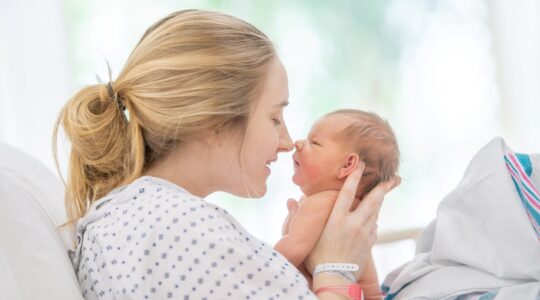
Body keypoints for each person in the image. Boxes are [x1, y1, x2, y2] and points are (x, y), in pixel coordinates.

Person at [53, 9, 399, 300]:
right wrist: (335, 269)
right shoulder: (181, 231)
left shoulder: (128, 218)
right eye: (274, 118)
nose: (286, 141)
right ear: (215, 122)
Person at [274, 109, 400, 299]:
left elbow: (292, 250)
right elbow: (370, 287)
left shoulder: (320, 204)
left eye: (313, 143)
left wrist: (257, 264)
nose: (298, 143)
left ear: (348, 165)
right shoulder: (354, 213)